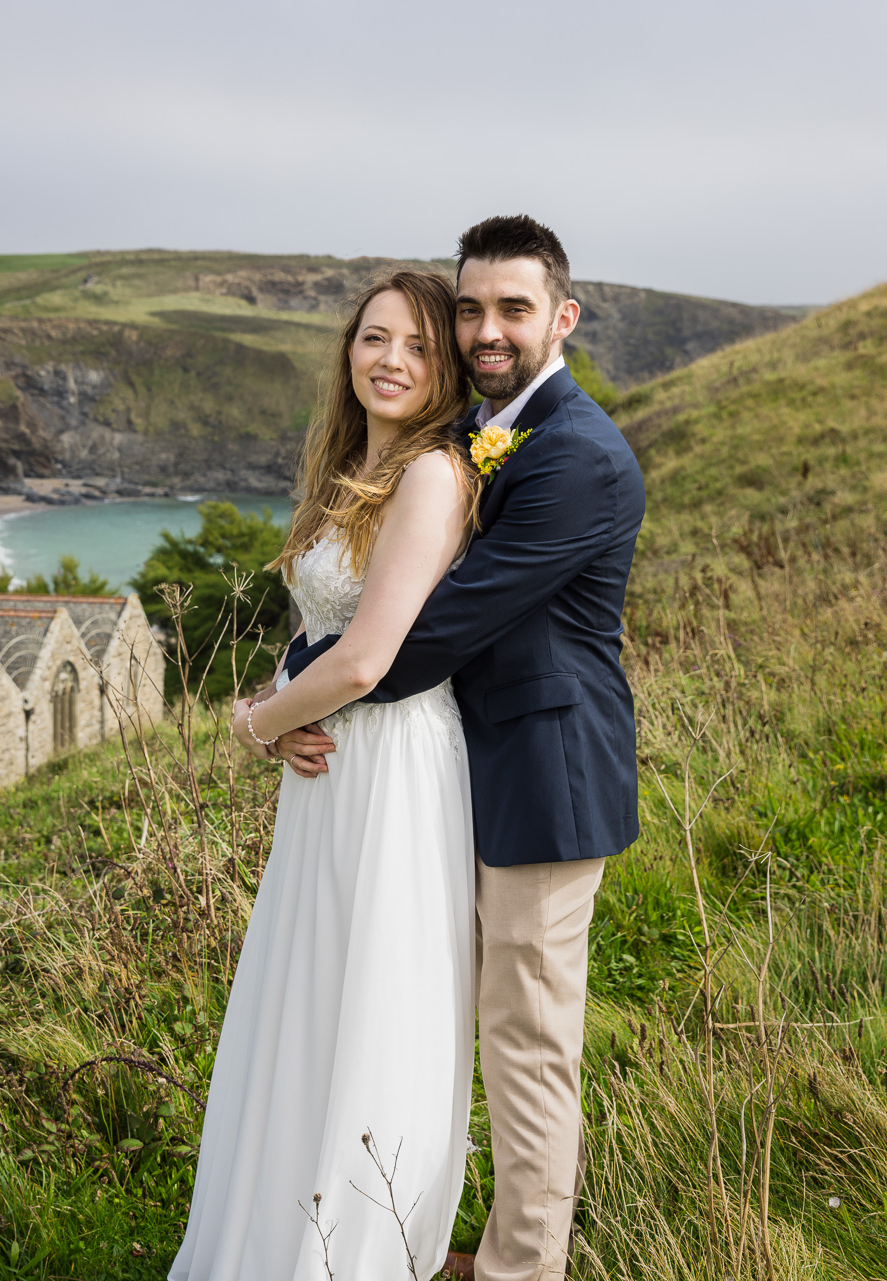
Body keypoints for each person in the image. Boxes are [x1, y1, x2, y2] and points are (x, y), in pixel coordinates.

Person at [254, 214, 646, 1281]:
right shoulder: (491, 429)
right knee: (422, 1014)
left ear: (561, 316)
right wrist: (315, 672)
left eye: (512, 309)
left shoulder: (577, 459)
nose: (486, 329)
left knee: (525, 1045)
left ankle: (524, 1271)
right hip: (460, 770)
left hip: (545, 782)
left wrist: (294, 697)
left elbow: (436, 628)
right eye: (469, 309)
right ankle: (409, 1227)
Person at [169, 269, 481, 1281]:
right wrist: (275, 693)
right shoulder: (353, 466)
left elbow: (365, 661)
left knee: (375, 992)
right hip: (335, 764)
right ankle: (277, 1219)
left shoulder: (433, 474)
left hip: (391, 761)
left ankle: (352, 1248)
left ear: (444, 372)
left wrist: (256, 723)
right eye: (375, 339)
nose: (390, 361)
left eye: (419, 348)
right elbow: (318, 637)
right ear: (349, 348)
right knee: (311, 991)